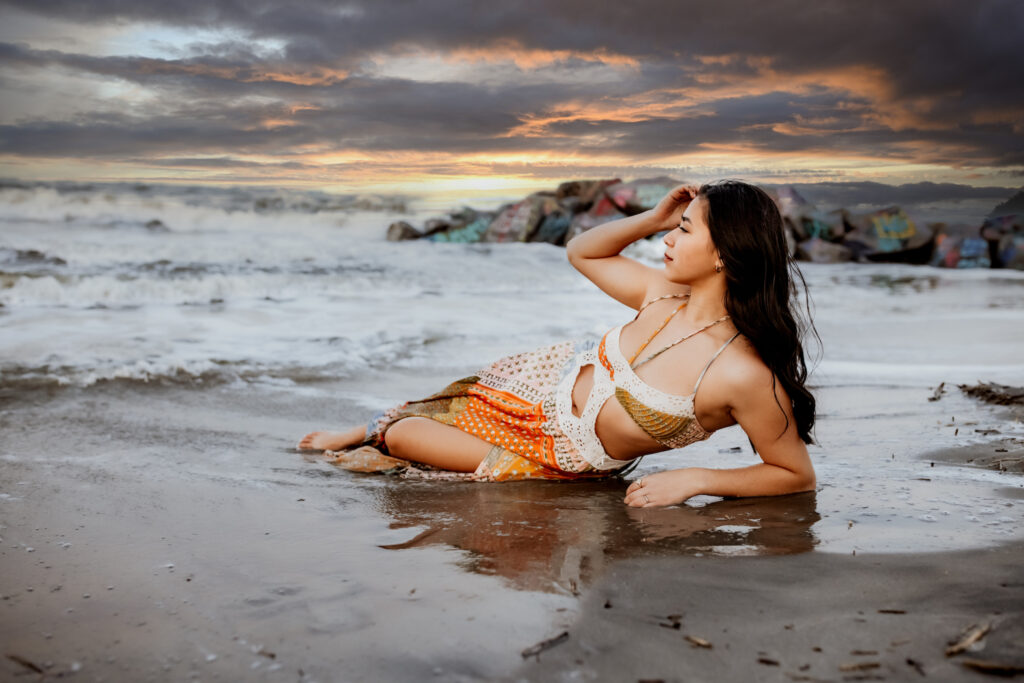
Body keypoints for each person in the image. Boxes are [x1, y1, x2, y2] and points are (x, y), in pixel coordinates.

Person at [298, 180, 817, 507]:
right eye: (672, 228)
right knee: (443, 405)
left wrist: (696, 479)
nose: (668, 240)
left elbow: (795, 474)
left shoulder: (743, 374)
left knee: (405, 436)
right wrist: (651, 218)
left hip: (560, 457)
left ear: (725, 252)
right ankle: (359, 427)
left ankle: (377, 428)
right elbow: (582, 252)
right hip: (536, 389)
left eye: (682, 230)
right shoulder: (662, 293)